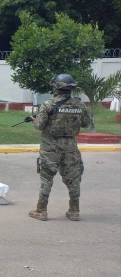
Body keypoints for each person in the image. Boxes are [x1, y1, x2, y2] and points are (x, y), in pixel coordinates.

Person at [28, 74, 90, 221]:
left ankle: (41, 210)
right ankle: (74, 211)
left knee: (46, 178)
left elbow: (39, 125)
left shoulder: (48, 105)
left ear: (55, 87)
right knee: (73, 179)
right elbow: (86, 124)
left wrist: (34, 120)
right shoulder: (80, 105)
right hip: (70, 147)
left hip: (50, 147)